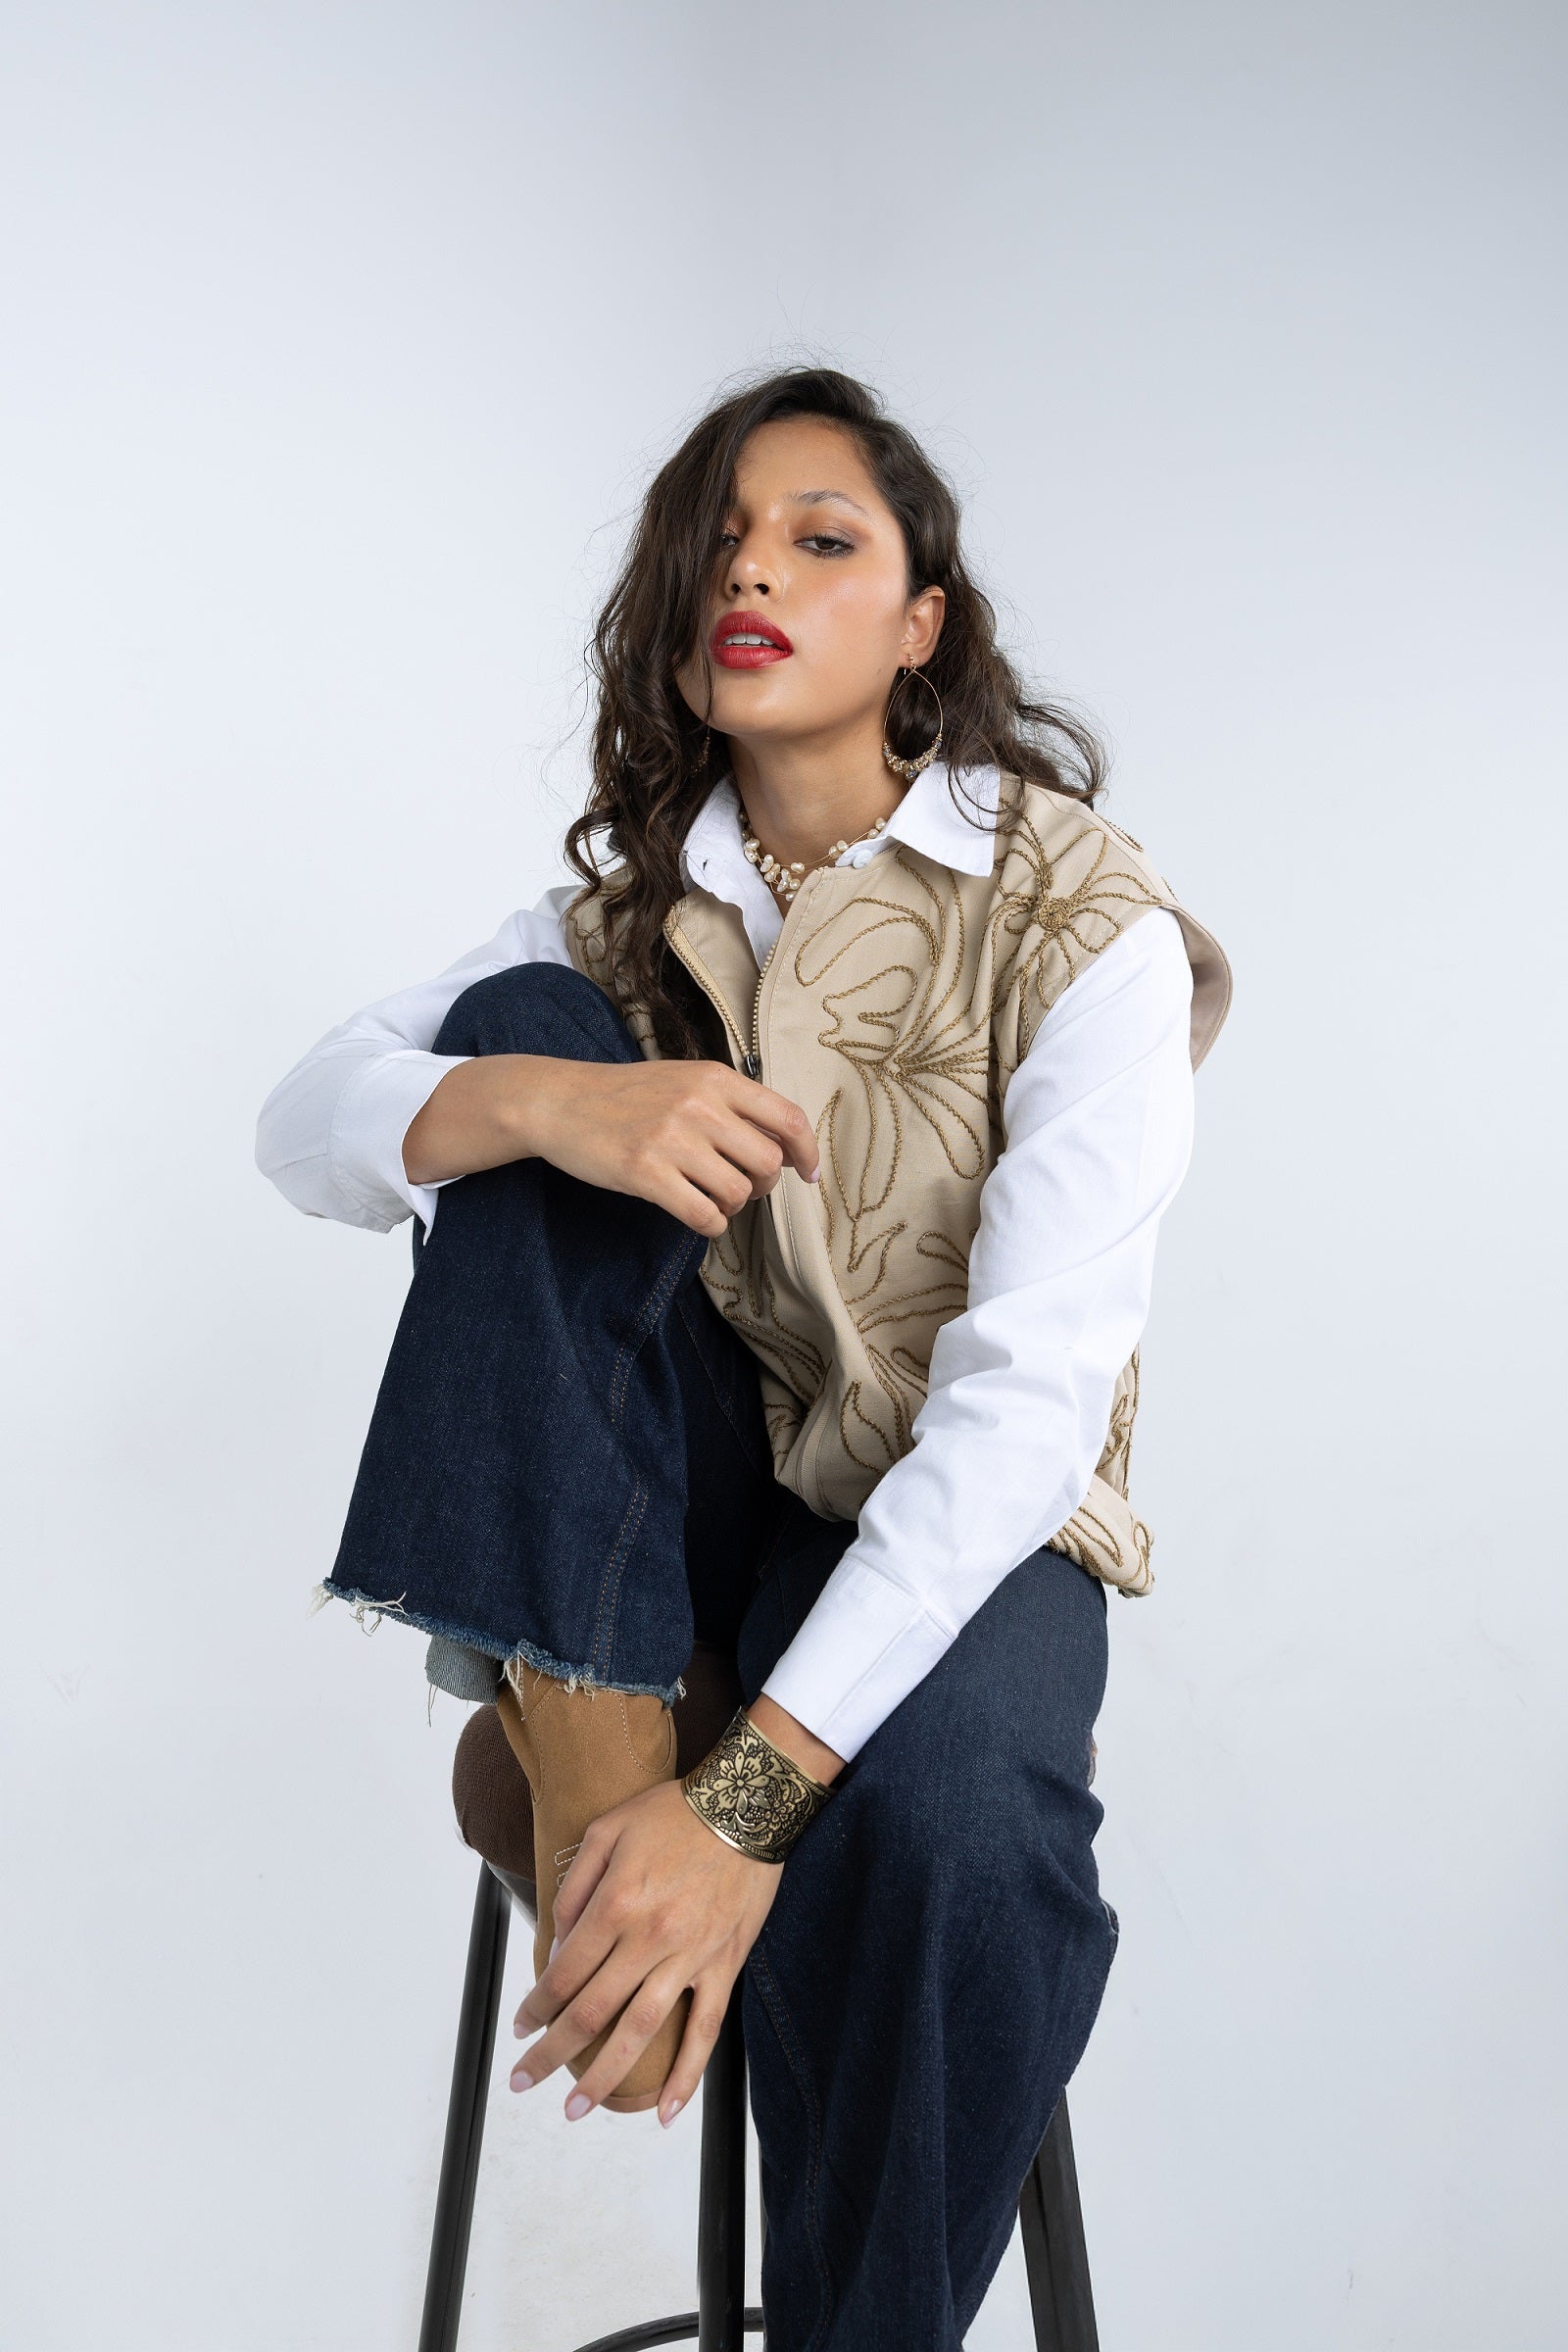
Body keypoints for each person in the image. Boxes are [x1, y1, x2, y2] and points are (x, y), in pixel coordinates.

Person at [256, 366, 1230, 2350]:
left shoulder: (1083, 920)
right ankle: (596, 1752)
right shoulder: (615, 923)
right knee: (520, 1038)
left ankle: (688, 1971)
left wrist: (743, 1815)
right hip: (668, 1540)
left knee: (960, 1839)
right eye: (713, 542)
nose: (748, 573)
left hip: (955, 1529)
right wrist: (557, 1104)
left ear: (922, 622)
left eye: (818, 538)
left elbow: (1024, 1416)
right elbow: (302, 1125)